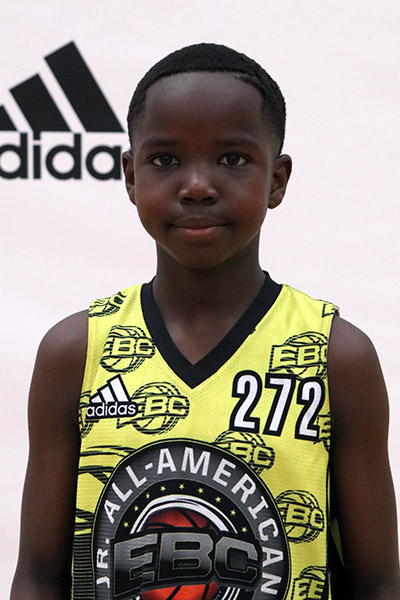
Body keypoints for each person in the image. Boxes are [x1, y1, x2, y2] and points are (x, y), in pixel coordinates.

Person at [10, 43, 400, 600]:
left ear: (277, 179)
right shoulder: (76, 352)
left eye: (233, 159)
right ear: (130, 176)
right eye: (165, 160)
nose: (197, 185)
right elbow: (38, 576)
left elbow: (379, 582)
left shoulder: (337, 356)